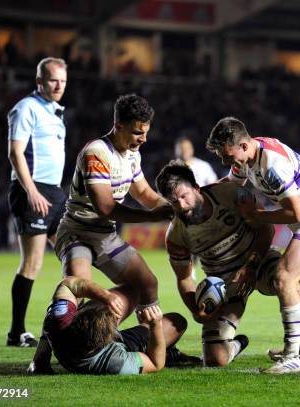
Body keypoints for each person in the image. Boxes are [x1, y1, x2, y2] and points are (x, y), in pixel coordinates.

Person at [29, 94, 174, 372]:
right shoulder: (97, 153)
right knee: (78, 285)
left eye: (145, 132)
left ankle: (152, 343)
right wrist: (150, 217)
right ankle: (41, 356)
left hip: (104, 236)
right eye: (136, 132)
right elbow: (106, 206)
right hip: (78, 233)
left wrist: (168, 207)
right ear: (118, 125)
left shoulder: (132, 154)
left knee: (147, 283)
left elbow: (143, 192)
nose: (142, 138)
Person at [206, 117, 300, 374]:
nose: (226, 162)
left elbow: (296, 213)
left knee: (283, 277)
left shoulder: (271, 165)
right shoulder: (248, 156)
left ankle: (292, 357)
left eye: (228, 155)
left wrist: (256, 216)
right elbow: (230, 184)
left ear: (243, 145)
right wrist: (200, 194)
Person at [156, 160, 281, 367]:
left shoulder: (229, 193)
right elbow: (185, 278)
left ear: (196, 188)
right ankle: (237, 345)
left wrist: (250, 266)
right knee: (215, 359)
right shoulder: (176, 235)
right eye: (173, 202)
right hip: (223, 285)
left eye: (183, 197)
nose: (181, 206)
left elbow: (265, 228)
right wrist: (197, 311)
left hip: (258, 262)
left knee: (286, 278)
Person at [7, 57, 68, 347]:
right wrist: (31, 190)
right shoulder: (26, 108)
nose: (59, 85)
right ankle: (16, 332)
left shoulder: (55, 112)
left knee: (73, 253)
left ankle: (68, 324)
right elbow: (15, 153)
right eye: (53, 80)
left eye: (63, 81)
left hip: (55, 192)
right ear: (39, 82)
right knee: (33, 262)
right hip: (32, 190)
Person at [40, 276, 190, 374]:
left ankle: (39, 360)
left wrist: (107, 297)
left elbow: (67, 284)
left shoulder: (60, 321)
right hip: (123, 345)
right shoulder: (115, 361)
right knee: (177, 322)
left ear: (78, 317)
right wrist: (155, 324)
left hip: (78, 344)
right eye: (113, 322)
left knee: (133, 287)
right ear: (108, 340)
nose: (116, 317)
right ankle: (169, 351)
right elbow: (156, 364)